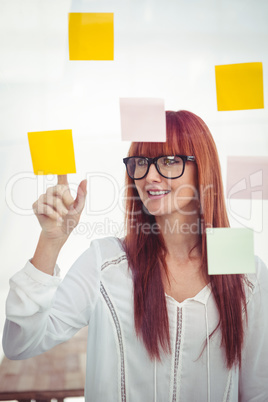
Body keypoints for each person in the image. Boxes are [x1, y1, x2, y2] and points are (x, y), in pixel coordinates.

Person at [2, 110, 268, 402]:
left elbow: (258, 390)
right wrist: (50, 241)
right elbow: (19, 344)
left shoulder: (246, 268)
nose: (149, 176)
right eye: (141, 162)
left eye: (169, 161)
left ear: (201, 168)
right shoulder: (104, 262)